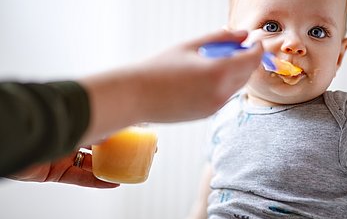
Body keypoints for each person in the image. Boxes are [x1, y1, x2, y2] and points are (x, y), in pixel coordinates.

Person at [177, 0, 347, 219]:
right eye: (271, 26)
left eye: (317, 32)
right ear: (233, 45)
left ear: (339, 56)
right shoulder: (224, 114)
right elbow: (202, 211)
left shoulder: (346, 119)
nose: (293, 44)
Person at [0, 29, 263, 187]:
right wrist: (143, 91)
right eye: (272, 26)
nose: (293, 44)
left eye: (308, 31)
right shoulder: (231, 117)